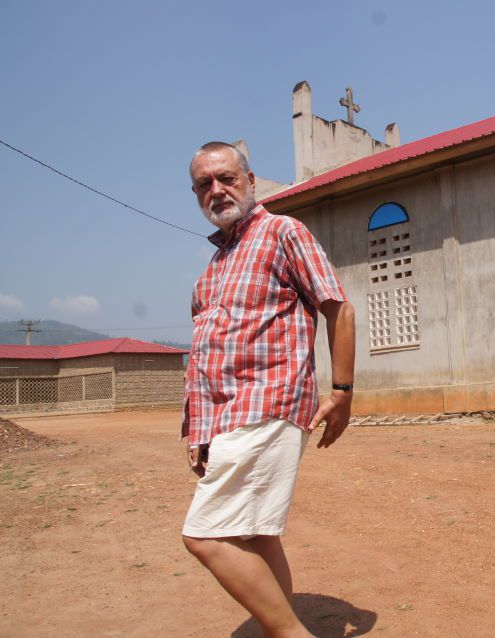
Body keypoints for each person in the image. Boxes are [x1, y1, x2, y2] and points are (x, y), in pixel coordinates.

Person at [181, 141, 356, 637]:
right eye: (204, 184)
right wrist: (199, 431)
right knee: (256, 536)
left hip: (268, 405)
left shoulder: (282, 232)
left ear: (250, 181)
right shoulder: (211, 271)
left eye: (226, 178)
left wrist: (342, 391)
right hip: (228, 420)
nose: (216, 190)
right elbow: (204, 358)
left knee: (204, 536)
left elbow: (339, 309)